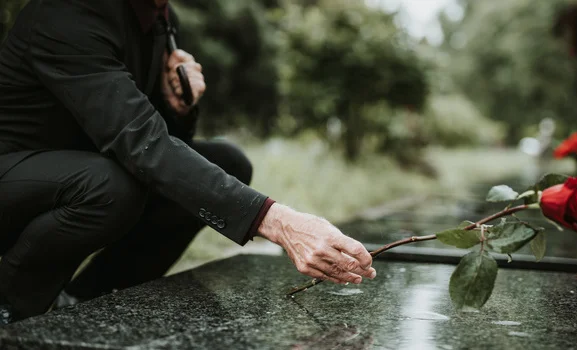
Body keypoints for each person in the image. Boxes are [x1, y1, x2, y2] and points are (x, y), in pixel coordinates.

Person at [0, 0, 376, 324]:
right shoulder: (68, 13)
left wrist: (178, 108)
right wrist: (277, 221)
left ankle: (87, 301)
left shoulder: (161, 17)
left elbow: (155, 136)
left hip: (89, 160)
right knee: (110, 186)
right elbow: (140, 144)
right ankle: (11, 309)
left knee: (228, 161)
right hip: (14, 170)